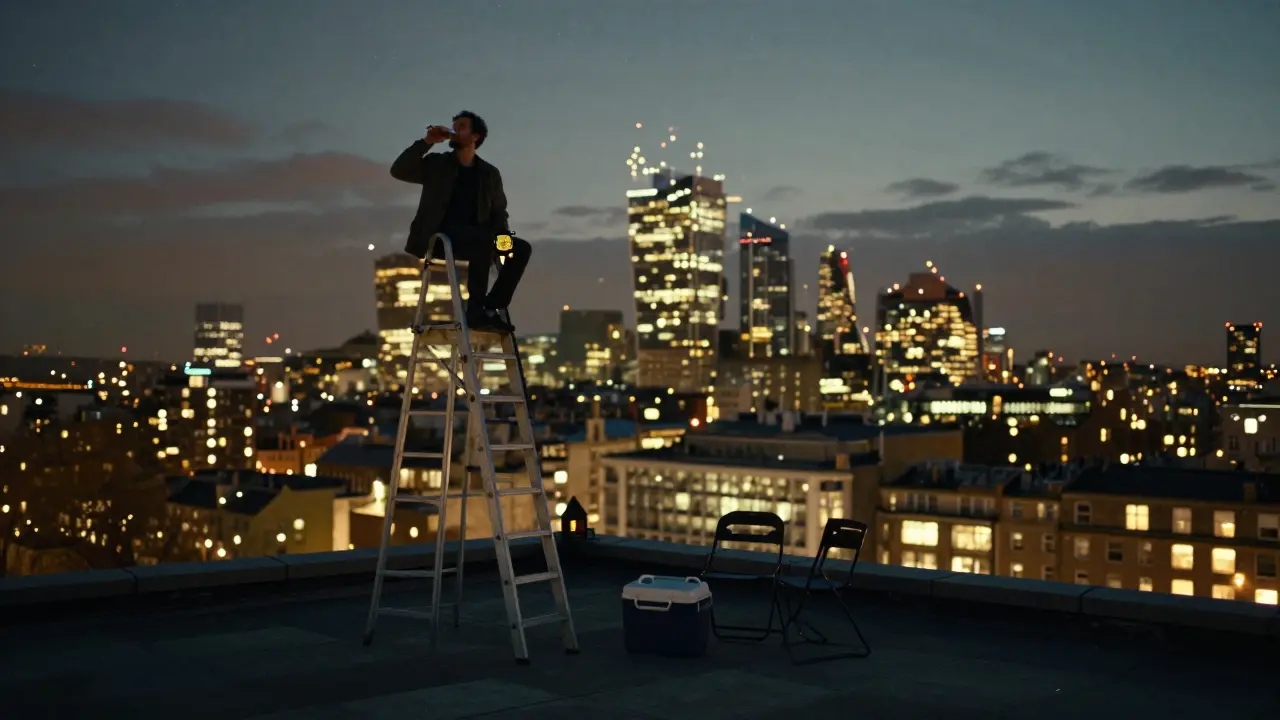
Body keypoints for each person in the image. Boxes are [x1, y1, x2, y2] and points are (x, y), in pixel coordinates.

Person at [390, 110, 532, 333]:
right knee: (484, 238)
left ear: (476, 136)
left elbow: (499, 211)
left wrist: (503, 240)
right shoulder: (437, 164)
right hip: (441, 237)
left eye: (461, 126)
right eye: (453, 126)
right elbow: (399, 170)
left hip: (480, 239)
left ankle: (490, 306)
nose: (454, 130)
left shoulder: (489, 173)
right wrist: (428, 141)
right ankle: (475, 311)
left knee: (521, 248)